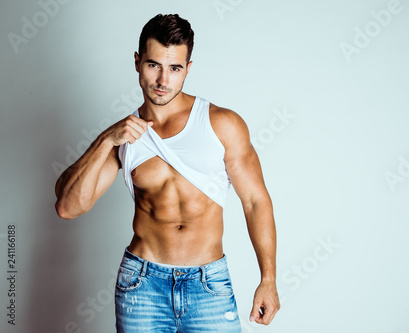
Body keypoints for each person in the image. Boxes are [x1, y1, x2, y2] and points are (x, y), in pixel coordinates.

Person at [54, 13, 279, 332]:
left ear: (188, 69)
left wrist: (268, 279)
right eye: (153, 65)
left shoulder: (223, 124)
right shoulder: (124, 137)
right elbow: (68, 207)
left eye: (175, 68)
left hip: (208, 285)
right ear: (137, 62)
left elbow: (256, 201)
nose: (163, 80)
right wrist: (106, 140)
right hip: (142, 285)